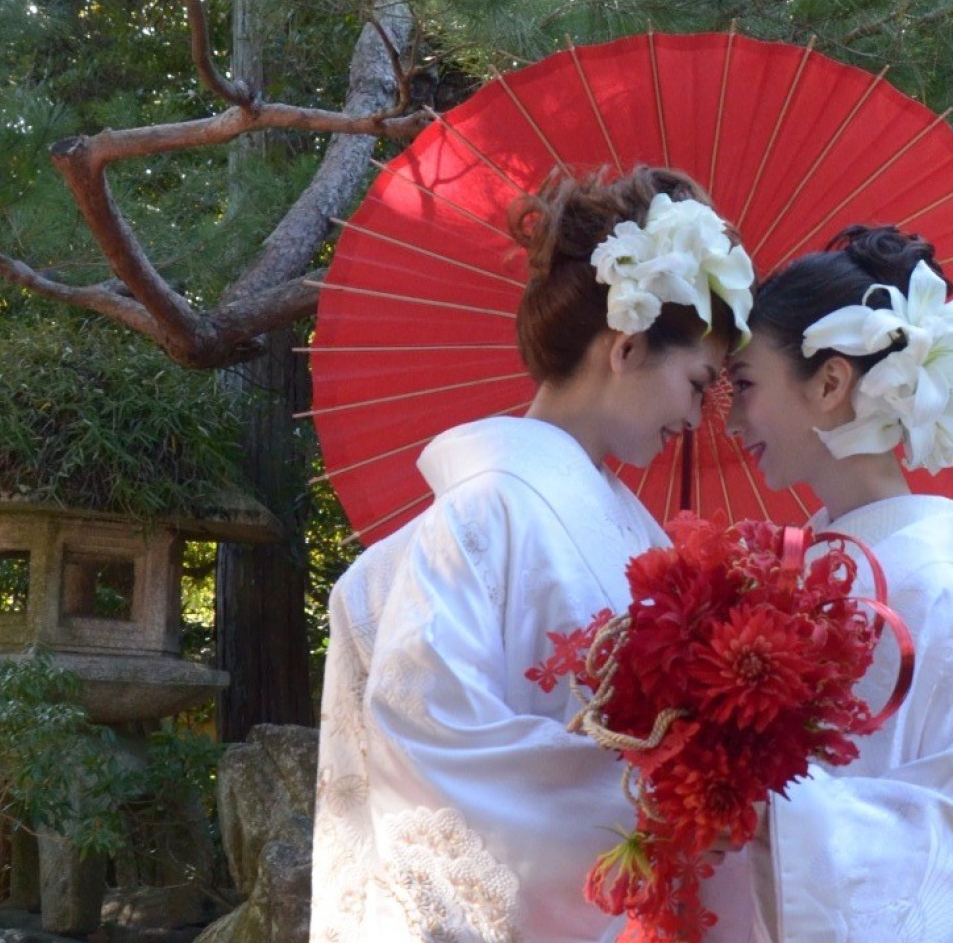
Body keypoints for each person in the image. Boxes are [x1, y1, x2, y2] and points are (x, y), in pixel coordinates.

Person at [310, 165, 756, 943]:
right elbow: (431, 738)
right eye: (697, 381)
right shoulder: (489, 510)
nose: (699, 413)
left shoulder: (630, 531)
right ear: (625, 348)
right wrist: (657, 797)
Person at [725, 225, 953, 941]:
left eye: (746, 386)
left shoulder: (927, 596)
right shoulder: (814, 574)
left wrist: (762, 809)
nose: (729, 419)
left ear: (829, 382)